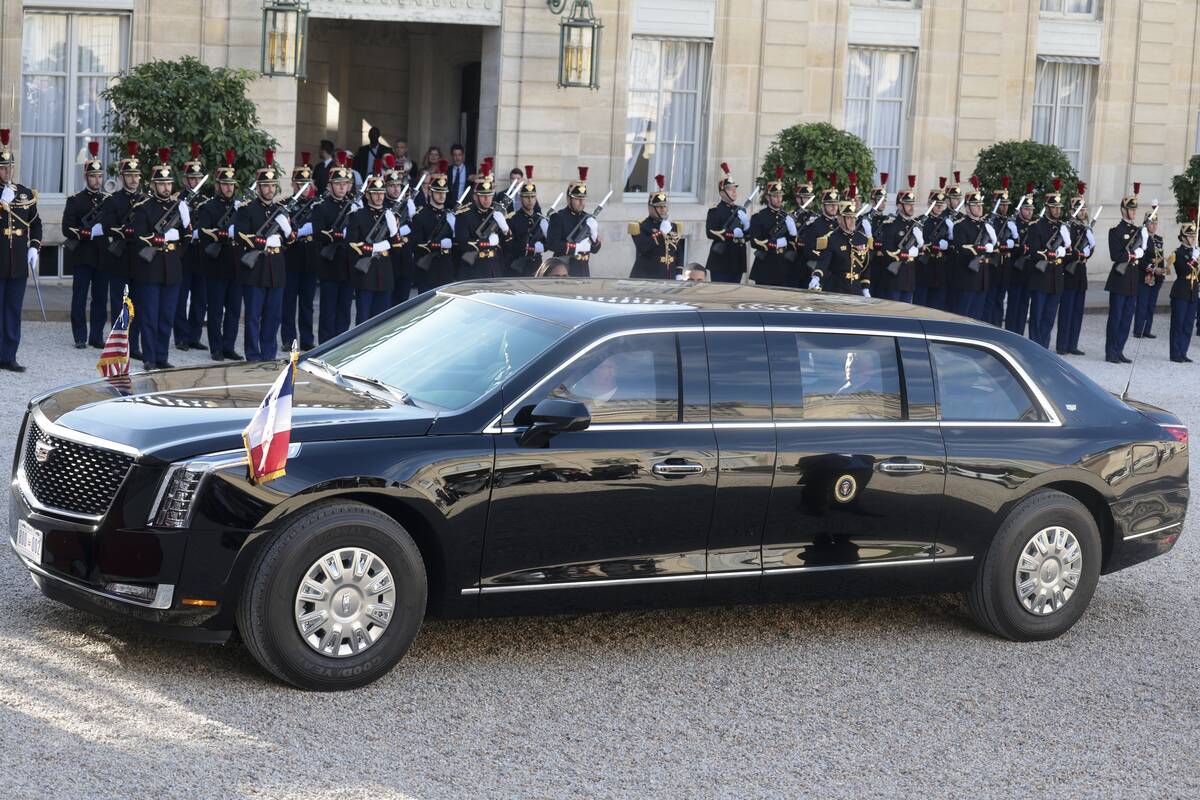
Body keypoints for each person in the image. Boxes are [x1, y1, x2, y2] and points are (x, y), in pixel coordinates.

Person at [131, 148, 186, 371]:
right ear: (153, 185)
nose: (166, 187)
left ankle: (162, 356)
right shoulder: (144, 208)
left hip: (171, 268)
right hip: (150, 268)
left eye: (169, 183)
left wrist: (184, 227)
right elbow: (138, 237)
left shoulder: (178, 207)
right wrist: (161, 238)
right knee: (149, 316)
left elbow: (188, 239)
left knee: (166, 317)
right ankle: (149, 358)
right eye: (161, 183)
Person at [234, 150, 291, 361]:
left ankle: (269, 353)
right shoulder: (247, 210)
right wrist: (264, 241)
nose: (269, 189)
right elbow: (240, 236)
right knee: (253, 316)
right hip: (256, 268)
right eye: (265, 186)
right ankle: (253, 354)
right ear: (258, 187)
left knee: (273, 316)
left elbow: (290, 240)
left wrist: (287, 230)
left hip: (276, 268)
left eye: (272, 186)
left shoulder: (280, 210)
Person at [0, 127, 41, 372]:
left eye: (10, 168)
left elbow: (36, 224)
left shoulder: (25, 193)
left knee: (13, 310)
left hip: (17, 262)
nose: (7, 172)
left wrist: (34, 247)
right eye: (3, 168)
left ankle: (9, 355)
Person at [196, 150, 242, 361]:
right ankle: (216, 347)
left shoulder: (240, 207)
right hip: (216, 264)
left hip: (236, 265)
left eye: (231, 184)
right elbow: (203, 233)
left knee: (234, 310)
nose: (228, 188)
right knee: (215, 310)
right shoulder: (209, 208)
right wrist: (223, 233)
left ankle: (228, 346)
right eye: (224, 184)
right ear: (217, 185)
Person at [62, 140, 108, 349]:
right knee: (80, 297)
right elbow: (67, 228)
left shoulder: (108, 200)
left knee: (100, 298)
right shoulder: (75, 200)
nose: (97, 180)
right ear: (86, 177)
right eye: (93, 176)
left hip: (103, 255)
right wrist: (88, 233)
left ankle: (96, 336)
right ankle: (80, 336)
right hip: (82, 255)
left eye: (100, 176)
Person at [101, 141, 145, 360]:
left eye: (136, 175)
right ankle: (118, 347)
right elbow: (107, 226)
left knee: (137, 305)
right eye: (129, 175)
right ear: (121, 177)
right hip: (120, 259)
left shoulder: (145, 200)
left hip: (140, 259)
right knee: (120, 305)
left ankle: (133, 346)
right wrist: (124, 230)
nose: (133, 179)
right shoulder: (113, 201)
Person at [313, 151, 356, 342]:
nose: (342, 187)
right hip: (330, 265)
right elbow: (318, 233)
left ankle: (342, 344)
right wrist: (336, 235)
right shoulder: (322, 207)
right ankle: (326, 345)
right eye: (338, 183)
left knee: (344, 310)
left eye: (345, 183)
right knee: (328, 310)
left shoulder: (353, 207)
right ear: (330, 185)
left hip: (348, 265)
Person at [346, 166, 397, 323]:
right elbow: (352, 244)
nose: (379, 196)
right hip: (366, 275)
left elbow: (397, 244)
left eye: (381, 193)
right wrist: (375, 248)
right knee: (364, 319)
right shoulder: (358, 216)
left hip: (385, 273)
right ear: (367, 195)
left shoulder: (388, 215)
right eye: (375, 193)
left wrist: (394, 229)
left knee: (382, 321)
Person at [1025, 180, 1071, 349]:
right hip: (1041, 278)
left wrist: (1066, 248)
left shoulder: (1063, 228)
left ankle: (1043, 348)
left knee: (1049, 318)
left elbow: (1069, 253)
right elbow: (1034, 252)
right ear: (1047, 207)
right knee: (1037, 317)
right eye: (1054, 207)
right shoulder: (1036, 227)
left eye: (1059, 208)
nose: (1057, 210)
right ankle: (1034, 348)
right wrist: (1053, 253)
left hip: (1056, 279)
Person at [173, 142, 208, 353]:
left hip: (201, 254)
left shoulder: (206, 201)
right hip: (183, 253)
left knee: (200, 299)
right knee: (181, 297)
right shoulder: (177, 200)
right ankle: (181, 336)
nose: (194, 182)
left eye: (197, 178)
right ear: (185, 179)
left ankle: (195, 336)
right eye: (191, 178)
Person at [1104, 183, 1144, 364]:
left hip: (1133, 280)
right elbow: (1116, 255)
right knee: (1116, 317)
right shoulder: (1115, 231)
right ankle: (1110, 351)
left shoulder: (1138, 231)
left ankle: (1119, 349)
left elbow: (1143, 254)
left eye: (1135, 209)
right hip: (1119, 280)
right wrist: (1133, 254)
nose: (1133, 212)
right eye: (1130, 209)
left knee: (1127, 318)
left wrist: (1143, 247)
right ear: (1123, 210)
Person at [282, 153, 318, 351]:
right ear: (293, 185)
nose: (304, 187)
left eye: (307, 184)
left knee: (307, 303)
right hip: (291, 258)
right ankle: (289, 339)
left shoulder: (316, 205)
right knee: (288, 302)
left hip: (310, 259)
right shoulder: (286, 205)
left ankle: (307, 339)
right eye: (300, 184)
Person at [948, 177, 997, 320]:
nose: (980, 208)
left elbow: (993, 250)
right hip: (967, 278)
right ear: (967, 207)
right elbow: (962, 248)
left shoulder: (985, 225)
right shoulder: (960, 225)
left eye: (980, 204)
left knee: (977, 317)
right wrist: (983, 247)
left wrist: (994, 243)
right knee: (963, 316)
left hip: (982, 278)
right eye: (975, 205)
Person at [1056, 184, 1094, 356]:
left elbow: (1090, 250)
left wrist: (1089, 250)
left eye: (1084, 209)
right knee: (1067, 311)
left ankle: (1073, 344)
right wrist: (1078, 253)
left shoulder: (1084, 228)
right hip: (1069, 274)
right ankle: (1062, 345)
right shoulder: (1067, 228)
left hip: (1080, 275)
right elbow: (1065, 251)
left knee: (1078, 311)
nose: (1083, 212)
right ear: (1073, 211)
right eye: (1080, 209)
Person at [455, 163, 510, 279]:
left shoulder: (496, 214)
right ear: (475, 197)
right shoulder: (465, 215)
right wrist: (486, 242)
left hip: (493, 269)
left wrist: (505, 229)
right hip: (474, 270)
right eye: (483, 196)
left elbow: (509, 245)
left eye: (489, 195)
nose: (487, 199)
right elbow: (463, 243)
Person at [874, 175, 923, 303]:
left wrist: (920, 245)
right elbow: (886, 252)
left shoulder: (915, 225)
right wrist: (906, 253)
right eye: (908, 204)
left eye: (912, 204)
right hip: (894, 278)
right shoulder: (890, 225)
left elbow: (921, 253)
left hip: (909, 278)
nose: (911, 207)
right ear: (899, 206)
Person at [410, 160, 457, 290]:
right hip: (428, 272)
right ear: (430, 192)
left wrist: (455, 232)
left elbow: (459, 245)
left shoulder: (450, 216)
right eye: (438, 192)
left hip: (446, 269)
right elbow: (416, 244)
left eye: (444, 192)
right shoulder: (421, 215)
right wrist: (438, 244)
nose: (442, 195)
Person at [546, 166, 601, 276]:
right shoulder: (558, 217)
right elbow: (552, 244)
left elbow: (594, 250)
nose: (581, 202)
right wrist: (575, 248)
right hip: (564, 271)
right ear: (569, 199)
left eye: (583, 198)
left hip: (583, 270)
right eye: (577, 198)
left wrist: (594, 237)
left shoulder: (588, 218)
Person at [749, 167, 798, 287]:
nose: (779, 199)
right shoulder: (759, 216)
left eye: (780, 196)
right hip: (765, 266)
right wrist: (774, 244)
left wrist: (793, 233)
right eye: (775, 196)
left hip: (783, 266)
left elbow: (793, 244)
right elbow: (754, 242)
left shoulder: (786, 217)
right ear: (768, 197)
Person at [816, 195, 871, 296]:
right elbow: (823, 263)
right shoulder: (831, 239)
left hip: (856, 289)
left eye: (854, 217)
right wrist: (816, 277)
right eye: (849, 218)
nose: (853, 221)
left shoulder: (862, 239)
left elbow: (866, 267)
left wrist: (865, 288)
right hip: (836, 288)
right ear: (840, 219)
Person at [629, 175, 681, 279]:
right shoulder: (641, 226)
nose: (663, 210)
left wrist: (679, 272)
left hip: (669, 275)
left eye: (664, 206)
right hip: (648, 275)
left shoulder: (672, 226)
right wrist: (661, 233)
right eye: (659, 206)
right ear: (650, 208)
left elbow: (678, 251)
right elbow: (643, 247)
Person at [704, 162, 747, 284]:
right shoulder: (715, 210)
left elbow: (748, 236)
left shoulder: (740, 210)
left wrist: (747, 226)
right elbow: (710, 232)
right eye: (730, 189)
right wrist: (732, 234)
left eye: (735, 189)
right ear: (722, 193)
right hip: (721, 261)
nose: (734, 192)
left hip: (737, 260)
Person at [383, 154, 415, 305]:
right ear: (385, 187)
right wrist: (399, 231)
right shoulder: (383, 205)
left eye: (398, 185)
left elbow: (416, 228)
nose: (396, 189)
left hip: (406, 257)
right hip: (390, 258)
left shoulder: (406, 204)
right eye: (392, 186)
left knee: (403, 300)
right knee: (389, 301)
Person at [1003, 183, 1036, 335]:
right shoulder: (1013, 224)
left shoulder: (1034, 226)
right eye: (1026, 209)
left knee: (1023, 307)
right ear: (1020, 209)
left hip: (1028, 272)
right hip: (1016, 271)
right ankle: (1010, 334)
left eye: (1031, 210)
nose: (1029, 212)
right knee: (1013, 306)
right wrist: (1019, 245)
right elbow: (1009, 247)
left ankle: (1019, 335)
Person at [914, 177, 952, 310]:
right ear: (929, 204)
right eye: (936, 204)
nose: (940, 207)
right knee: (921, 305)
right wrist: (933, 245)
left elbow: (953, 245)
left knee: (937, 306)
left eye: (942, 204)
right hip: (925, 268)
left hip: (940, 270)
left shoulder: (946, 223)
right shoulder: (921, 221)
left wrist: (949, 240)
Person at [798, 175, 840, 289]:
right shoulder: (814, 224)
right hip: (818, 270)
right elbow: (808, 250)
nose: (834, 207)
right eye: (830, 204)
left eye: (836, 204)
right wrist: (827, 256)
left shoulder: (840, 225)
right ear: (823, 206)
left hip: (836, 274)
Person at [505, 166, 548, 277]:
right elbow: (509, 246)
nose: (530, 200)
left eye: (533, 197)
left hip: (536, 266)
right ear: (520, 198)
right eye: (526, 197)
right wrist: (530, 248)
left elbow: (548, 243)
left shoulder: (539, 219)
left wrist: (545, 243)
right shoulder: (513, 219)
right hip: (518, 269)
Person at [1169, 211, 1199, 363]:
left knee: (1188, 325)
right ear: (1183, 237)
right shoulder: (1178, 253)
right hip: (1181, 290)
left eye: (1194, 236)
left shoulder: (1196, 252)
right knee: (1178, 323)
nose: (1193, 238)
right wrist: (1194, 259)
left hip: (1193, 291)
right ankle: (1175, 353)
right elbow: (1183, 270)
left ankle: (1183, 351)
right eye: (1190, 236)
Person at [982, 177, 1012, 326]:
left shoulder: (1008, 222)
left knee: (999, 302)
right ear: (994, 204)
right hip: (991, 267)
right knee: (989, 302)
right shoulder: (987, 220)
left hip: (1003, 268)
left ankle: (998, 328)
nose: (1005, 208)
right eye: (1002, 204)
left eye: (1006, 205)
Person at [1133, 209, 1167, 340]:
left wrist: (1162, 271)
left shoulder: (1159, 239)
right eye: (1152, 223)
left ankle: (1147, 329)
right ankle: (1138, 330)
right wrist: (1152, 268)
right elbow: (1141, 258)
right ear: (1146, 223)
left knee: (1151, 305)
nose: (1154, 226)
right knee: (1142, 304)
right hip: (1144, 275)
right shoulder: (1141, 238)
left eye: (1156, 223)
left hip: (1156, 277)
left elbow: (1160, 257)